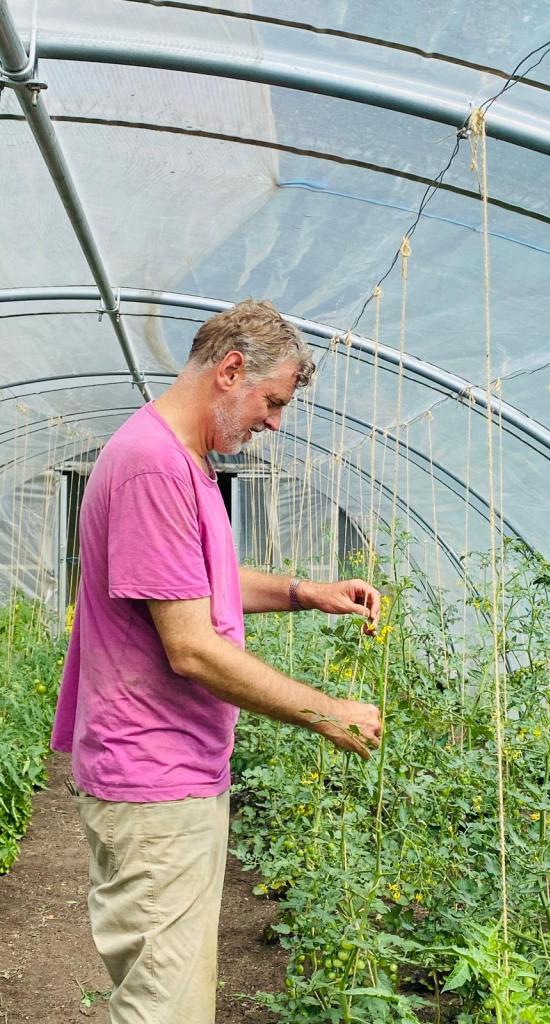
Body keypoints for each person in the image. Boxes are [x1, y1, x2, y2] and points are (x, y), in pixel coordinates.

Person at [51, 299, 382, 1024]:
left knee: (171, 996)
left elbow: (197, 581)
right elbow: (192, 645)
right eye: (273, 401)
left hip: (170, 774)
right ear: (231, 370)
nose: (275, 422)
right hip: (154, 780)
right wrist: (326, 712)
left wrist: (304, 592)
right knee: (163, 1008)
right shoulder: (152, 467)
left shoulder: (180, 461)